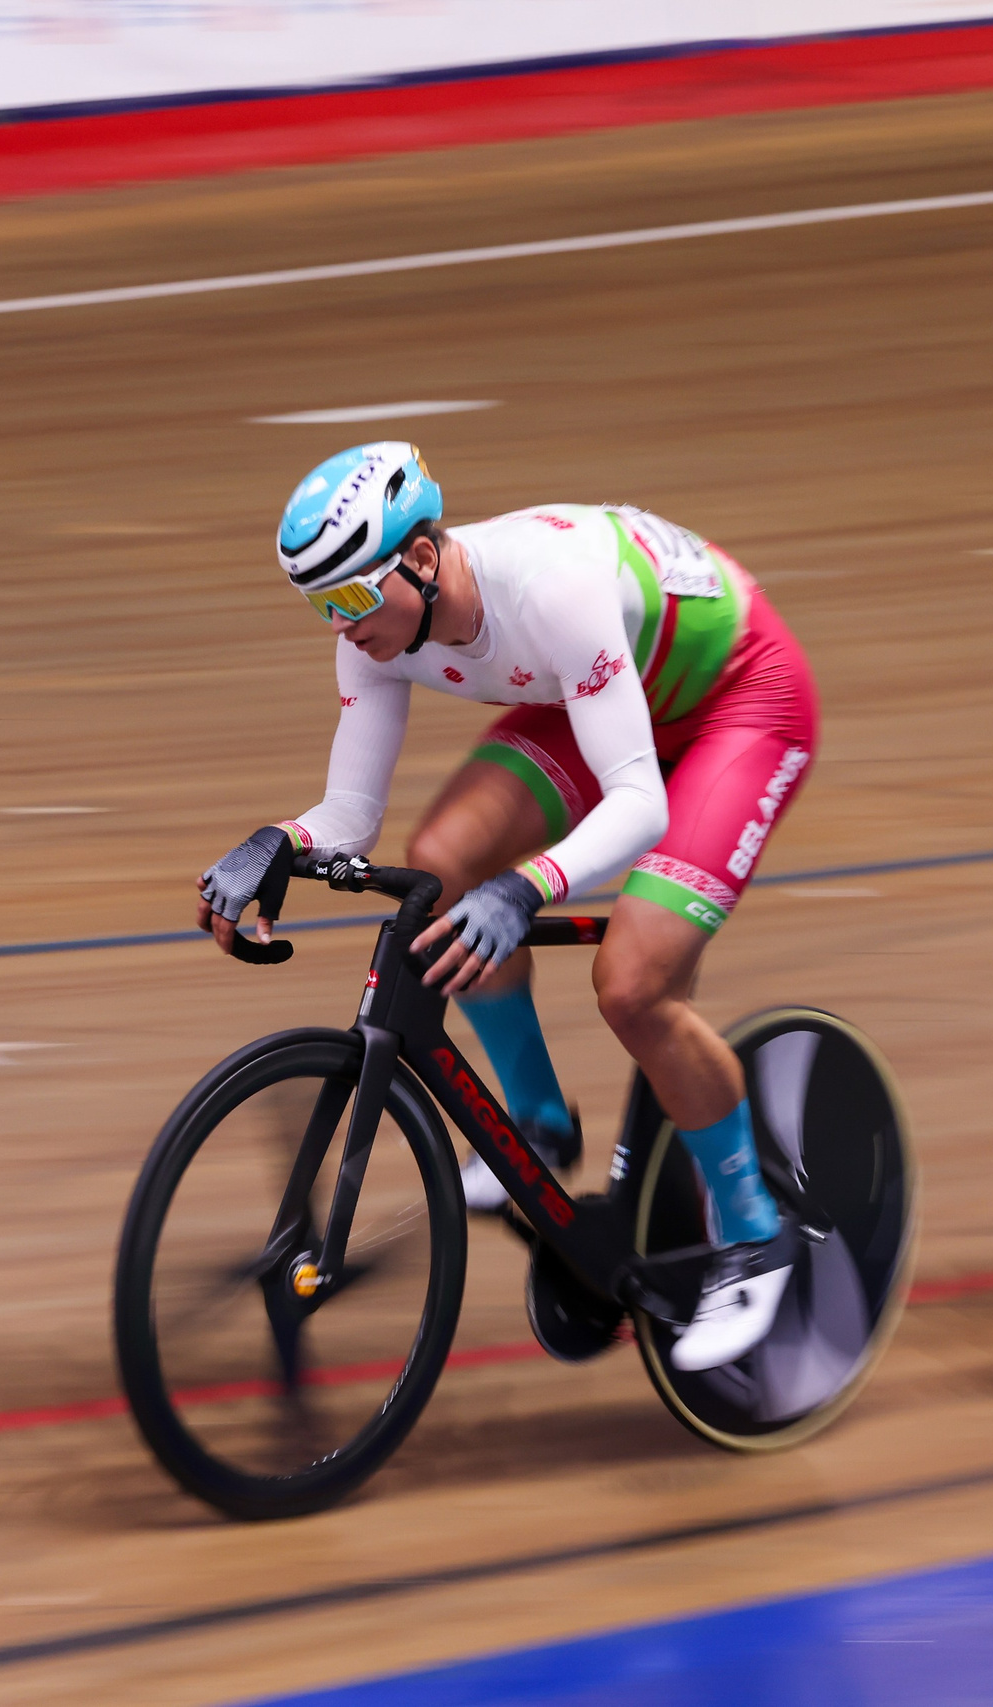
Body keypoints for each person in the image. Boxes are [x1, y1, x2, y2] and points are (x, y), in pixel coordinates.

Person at [195, 442, 820, 1371]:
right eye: (323, 606)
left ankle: (752, 1233)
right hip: (603, 693)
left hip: (740, 702)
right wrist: (278, 841)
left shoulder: (549, 590)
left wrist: (527, 886)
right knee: (440, 864)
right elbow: (351, 817)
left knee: (633, 987)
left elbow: (639, 802)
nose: (342, 624)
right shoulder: (376, 630)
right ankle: (538, 1127)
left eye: (354, 599)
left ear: (417, 556)